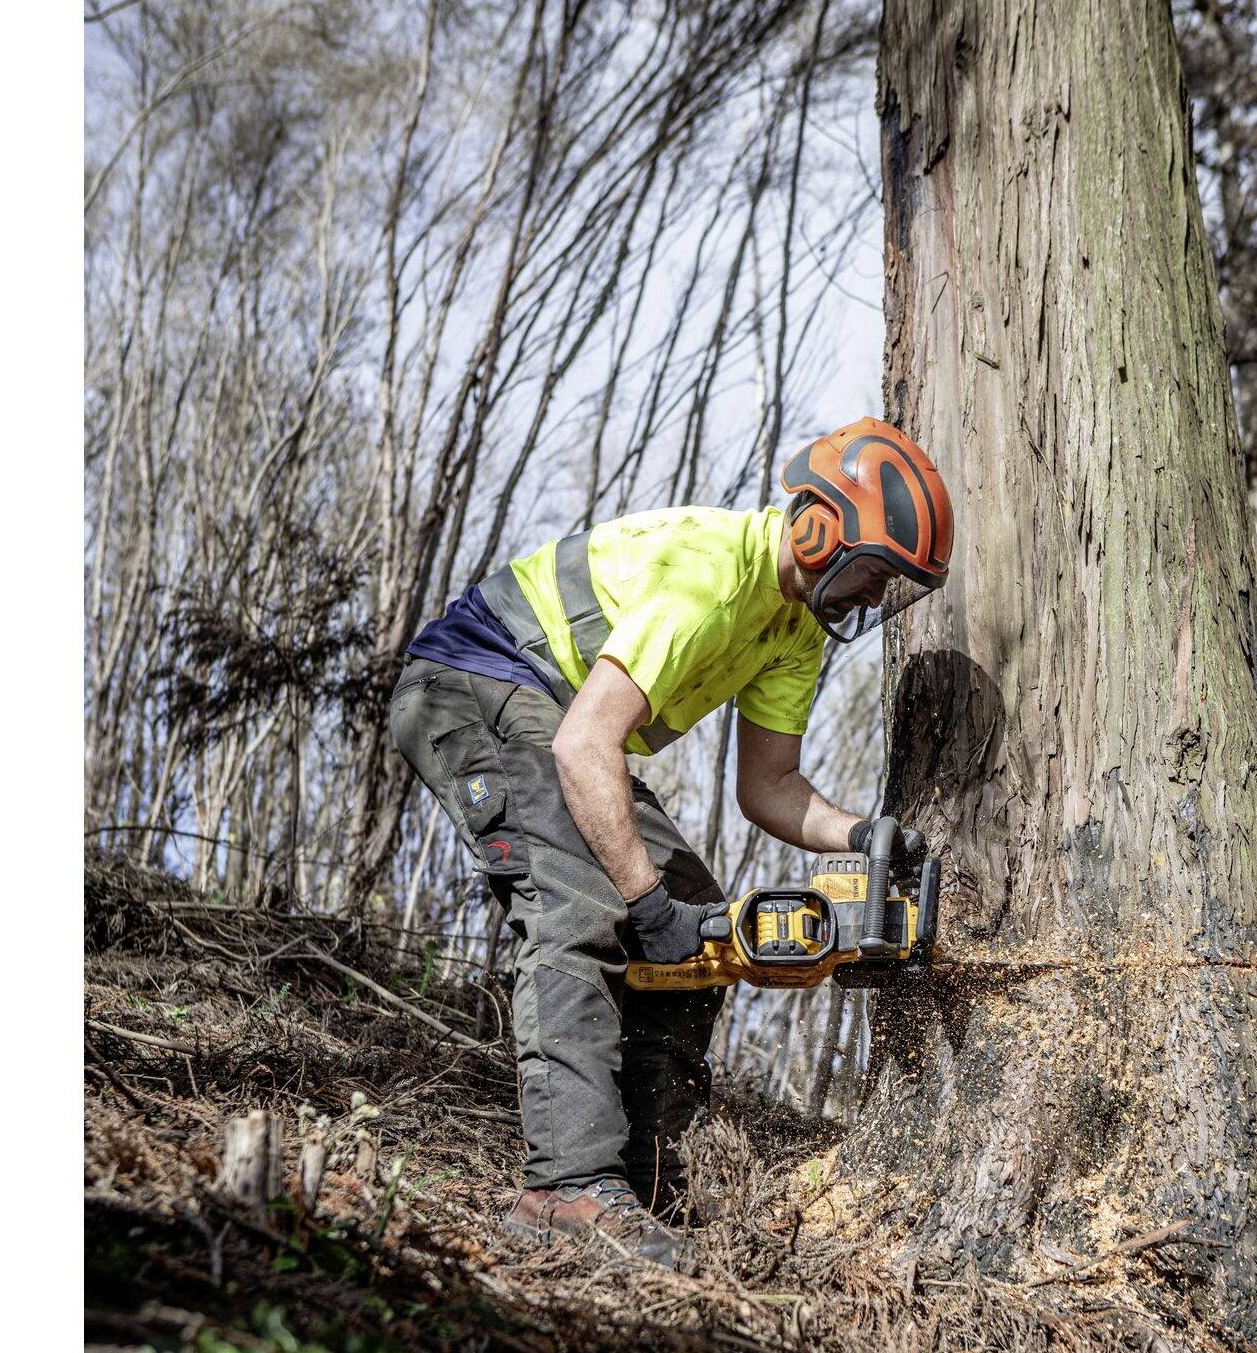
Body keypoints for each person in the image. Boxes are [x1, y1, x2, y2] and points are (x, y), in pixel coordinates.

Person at [389, 417, 954, 1266]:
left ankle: (648, 1181)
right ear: (818, 526)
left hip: (565, 718)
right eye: (877, 574)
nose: (875, 598)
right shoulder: (713, 577)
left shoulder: (794, 631)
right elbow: (584, 746)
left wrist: (861, 836)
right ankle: (567, 1188)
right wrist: (641, 899)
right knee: (580, 903)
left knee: (701, 921)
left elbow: (769, 789)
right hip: (477, 683)